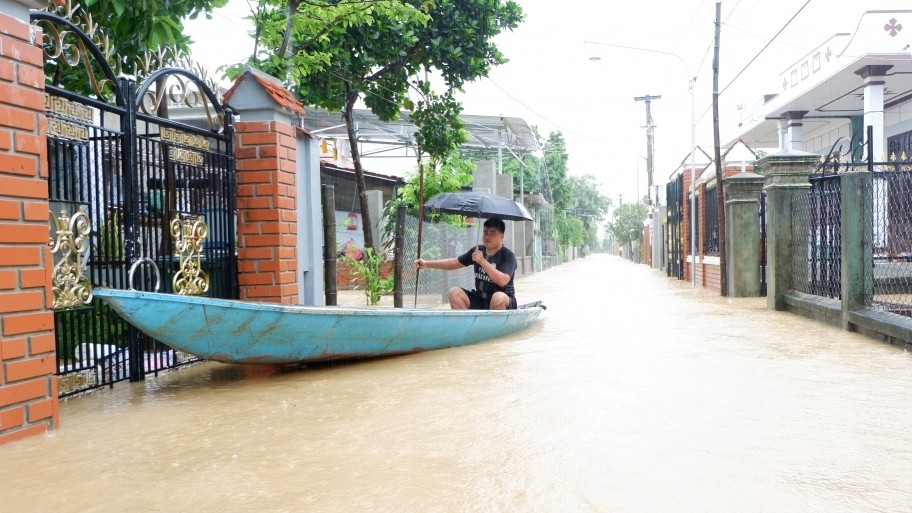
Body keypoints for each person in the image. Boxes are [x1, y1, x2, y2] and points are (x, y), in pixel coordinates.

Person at [415, 217, 518, 310]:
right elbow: (454, 262)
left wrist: (482, 261)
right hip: (480, 299)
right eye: (485, 232)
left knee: (498, 298)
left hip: (503, 302)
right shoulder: (477, 251)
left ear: (502, 236)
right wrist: (427, 264)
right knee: (454, 293)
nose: (487, 236)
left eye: (493, 233)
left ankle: (494, 329)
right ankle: (467, 328)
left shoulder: (508, 256)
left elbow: (502, 281)